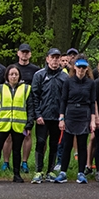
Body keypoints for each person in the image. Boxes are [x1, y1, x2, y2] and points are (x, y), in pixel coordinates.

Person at [0, 65, 34, 183]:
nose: (13, 76)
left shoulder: (26, 89)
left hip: (19, 125)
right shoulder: (0, 88)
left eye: (16, 74)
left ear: (19, 76)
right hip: (3, 124)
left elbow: (30, 108)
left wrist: (29, 124)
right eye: (11, 74)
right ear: (7, 76)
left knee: (17, 150)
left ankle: (17, 174)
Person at [56, 56, 97, 184]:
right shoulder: (68, 82)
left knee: (82, 145)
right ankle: (63, 172)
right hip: (70, 113)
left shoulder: (91, 83)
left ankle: (81, 173)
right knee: (67, 144)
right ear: (75, 67)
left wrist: (92, 120)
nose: (81, 70)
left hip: (84, 114)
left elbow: (92, 103)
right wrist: (61, 118)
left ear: (87, 69)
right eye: (79, 67)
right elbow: (63, 100)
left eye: (84, 67)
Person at [30, 49, 68, 183]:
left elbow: (66, 99)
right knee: (40, 143)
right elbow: (34, 96)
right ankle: (38, 171)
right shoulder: (39, 75)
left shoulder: (64, 77)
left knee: (54, 144)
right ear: (47, 59)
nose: (55, 60)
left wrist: (62, 117)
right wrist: (37, 114)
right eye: (53, 57)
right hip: (42, 117)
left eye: (58, 58)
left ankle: (50, 171)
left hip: (57, 117)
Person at [2, 43, 41, 174]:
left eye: (27, 52)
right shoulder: (11, 68)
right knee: (8, 136)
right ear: (18, 53)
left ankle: (24, 162)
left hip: (26, 108)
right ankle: (6, 162)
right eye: (22, 52)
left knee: (27, 135)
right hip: (10, 108)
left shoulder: (35, 70)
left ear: (30, 54)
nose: (24, 54)